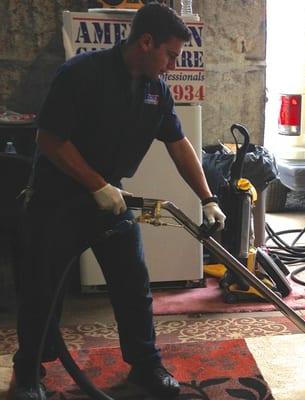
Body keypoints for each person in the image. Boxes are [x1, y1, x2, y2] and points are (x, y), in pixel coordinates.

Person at [13, 3, 226, 399]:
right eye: (170, 54)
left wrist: (208, 198)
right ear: (146, 42)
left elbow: (180, 147)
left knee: (133, 282)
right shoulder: (81, 74)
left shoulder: (155, 90)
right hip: (56, 200)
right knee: (43, 287)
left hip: (110, 200)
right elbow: (50, 139)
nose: (173, 65)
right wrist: (96, 185)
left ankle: (145, 367)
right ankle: (28, 372)